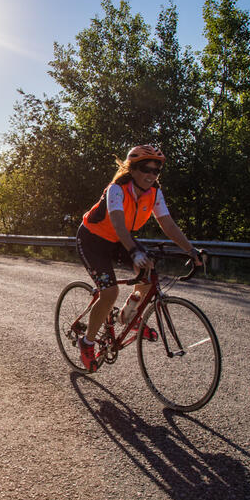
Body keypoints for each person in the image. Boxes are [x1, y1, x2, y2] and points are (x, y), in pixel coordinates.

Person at [76, 144, 202, 372]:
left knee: (148, 273)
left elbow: (168, 224)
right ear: (132, 169)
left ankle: (129, 316)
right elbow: (117, 222)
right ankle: (87, 342)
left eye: (156, 171)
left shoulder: (154, 192)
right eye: (146, 169)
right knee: (110, 292)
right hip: (93, 240)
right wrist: (134, 251)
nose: (151, 175)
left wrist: (191, 251)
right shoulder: (117, 189)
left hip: (119, 240)